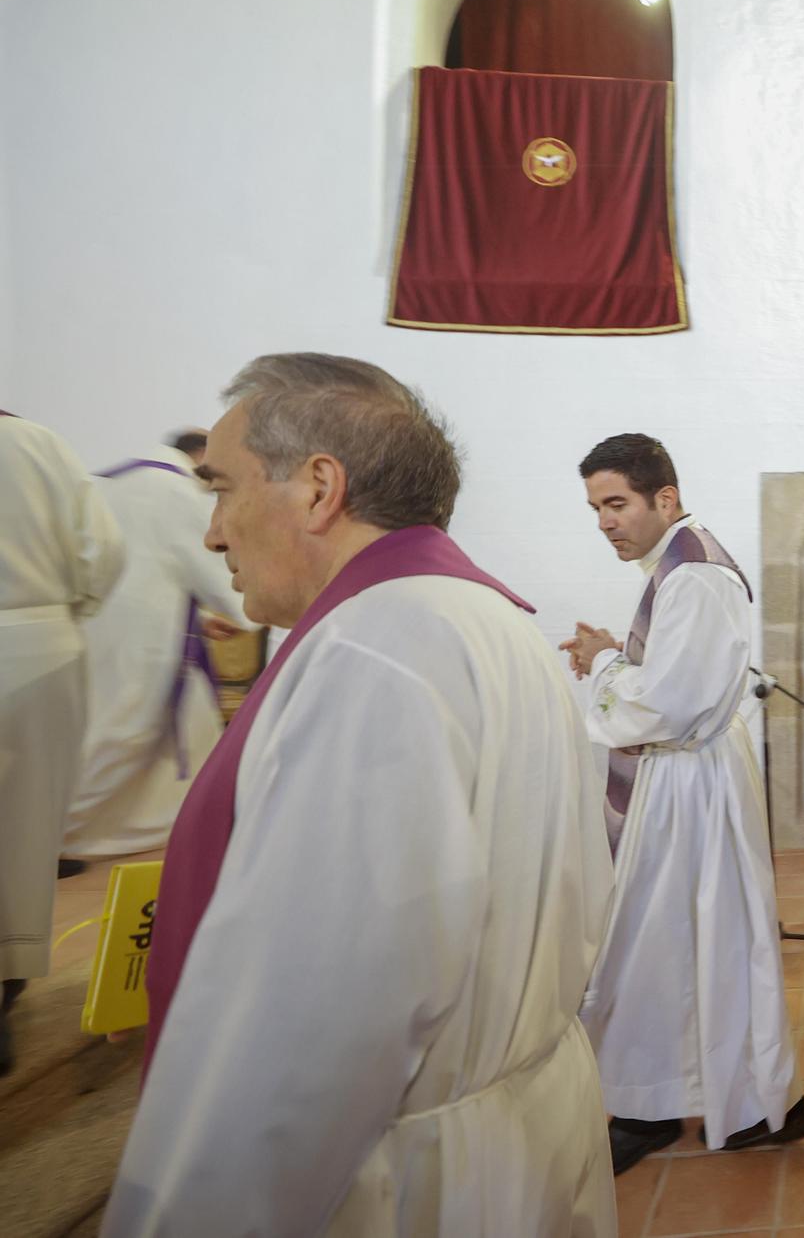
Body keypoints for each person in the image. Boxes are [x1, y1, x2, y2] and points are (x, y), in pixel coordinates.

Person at [107, 354, 615, 1234]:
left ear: (317, 487)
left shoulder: (372, 653)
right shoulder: (488, 620)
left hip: (403, 1184)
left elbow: (301, 1028)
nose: (213, 534)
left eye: (221, 489)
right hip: (517, 1131)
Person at [565, 433, 804, 1172]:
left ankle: (677, 1104)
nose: (605, 521)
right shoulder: (676, 564)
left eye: (616, 503)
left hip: (688, 786)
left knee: (663, 941)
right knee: (681, 943)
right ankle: (706, 1097)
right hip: (684, 781)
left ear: (663, 498)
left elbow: (666, 706)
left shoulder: (695, 573)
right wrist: (614, 653)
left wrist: (603, 658)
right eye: (595, 508)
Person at [0, 411, 124, 1078]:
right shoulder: (38, 441)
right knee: (24, 828)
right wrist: (67, 609)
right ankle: (4, 992)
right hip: (40, 643)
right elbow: (102, 550)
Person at [68, 433, 247, 860]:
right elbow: (239, 595)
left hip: (88, 643)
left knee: (87, 748)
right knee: (158, 772)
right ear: (202, 461)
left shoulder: (104, 483)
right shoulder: (176, 492)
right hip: (149, 656)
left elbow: (136, 573)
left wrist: (199, 619)